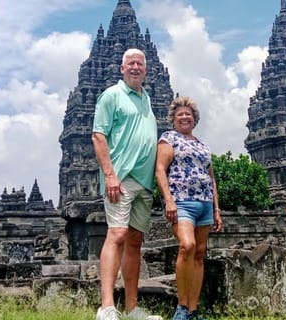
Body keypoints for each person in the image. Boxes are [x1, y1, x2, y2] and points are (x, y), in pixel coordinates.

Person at [93, 48, 159, 320]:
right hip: (120, 179)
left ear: (145, 70)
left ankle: (132, 309)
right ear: (122, 68)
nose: (135, 67)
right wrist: (110, 174)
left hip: (144, 183)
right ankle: (107, 306)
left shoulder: (147, 99)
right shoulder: (111, 95)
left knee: (135, 241)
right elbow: (98, 136)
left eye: (140, 64)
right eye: (130, 64)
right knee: (117, 235)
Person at [155, 96, 224, 320]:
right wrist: (168, 200)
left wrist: (216, 210)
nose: (185, 117)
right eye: (180, 114)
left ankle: (193, 310)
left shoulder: (202, 145)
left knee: (200, 254)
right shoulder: (168, 139)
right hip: (181, 201)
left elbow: (211, 178)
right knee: (187, 245)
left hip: (204, 202)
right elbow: (160, 170)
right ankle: (181, 307)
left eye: (188, 114)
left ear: (195, 119)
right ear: (173, 119)